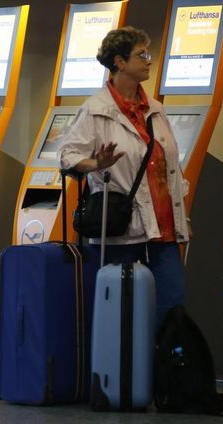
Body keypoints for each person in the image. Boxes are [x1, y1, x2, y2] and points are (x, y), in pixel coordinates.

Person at [58, 27, 190, 328]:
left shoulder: (155, 109)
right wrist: (96, 163)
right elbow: (67, 156)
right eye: (141, 55)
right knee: (121, 307)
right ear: (119, 62)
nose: (148, 61)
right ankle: (123, 370)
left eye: (148, 54)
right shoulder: (96, 110)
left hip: (164, 225)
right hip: (122, 226)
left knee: (172, 303)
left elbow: (169, 163)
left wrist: (183, 204)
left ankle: (160, 371)